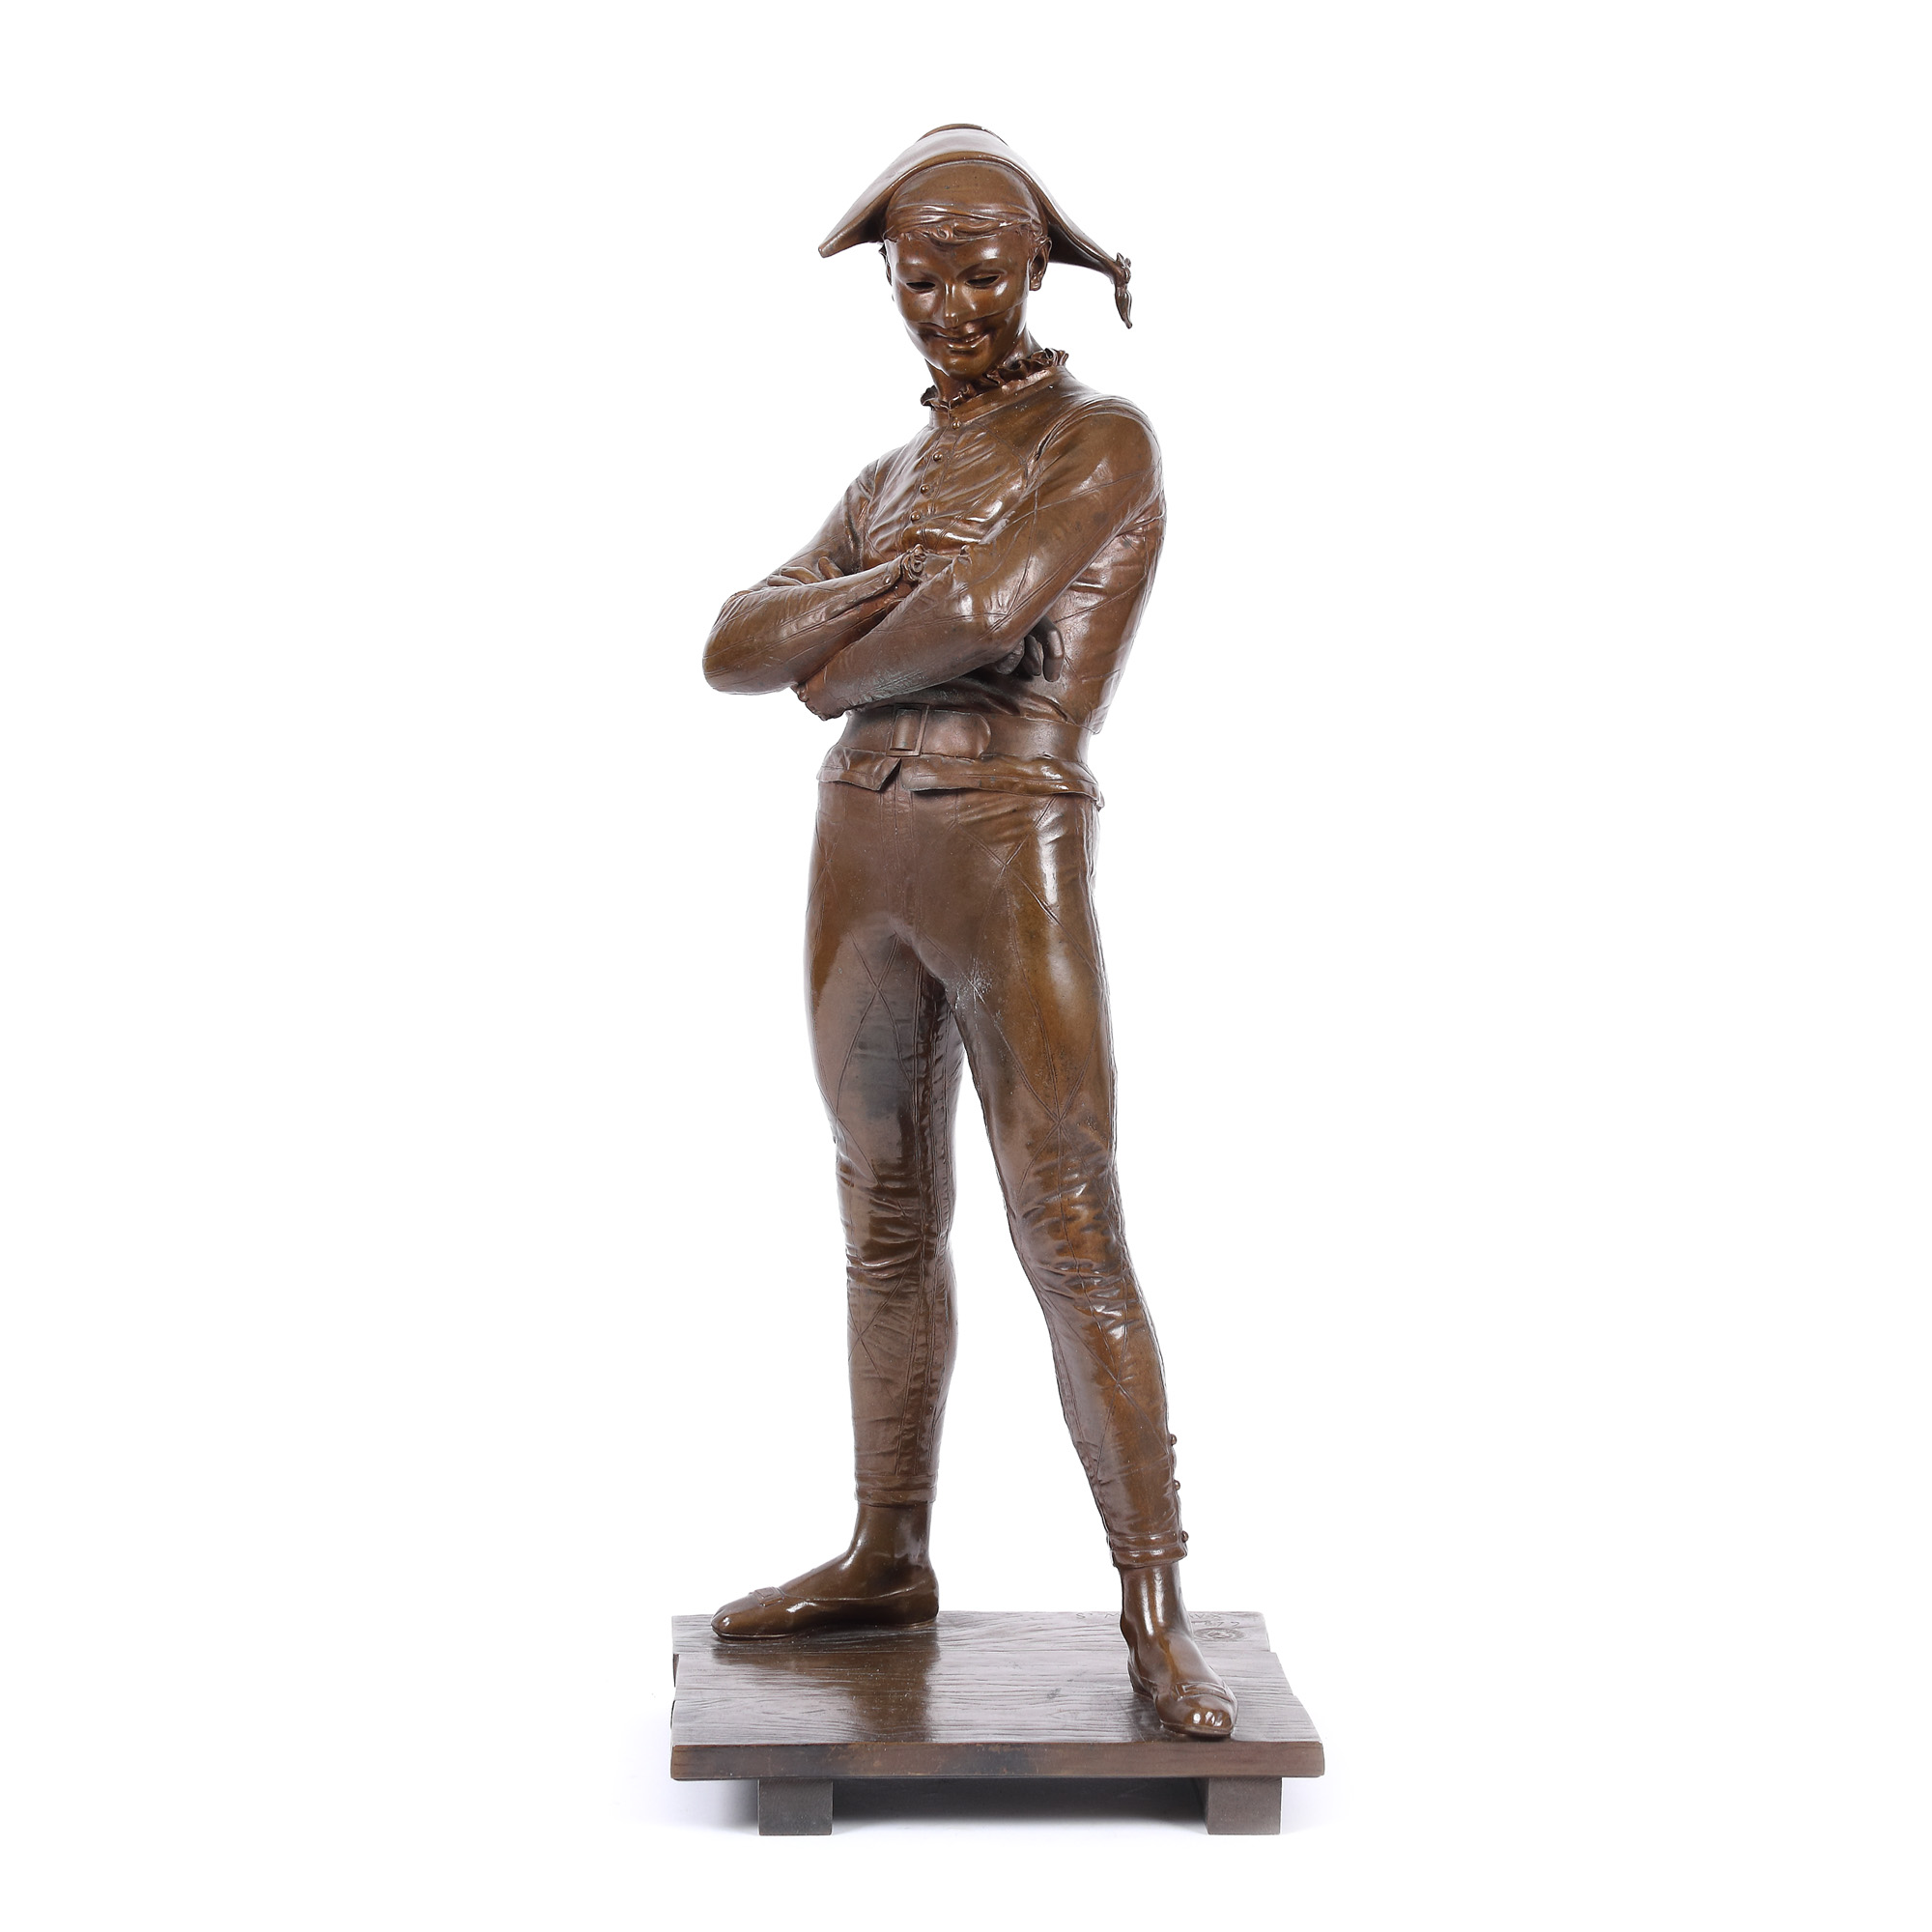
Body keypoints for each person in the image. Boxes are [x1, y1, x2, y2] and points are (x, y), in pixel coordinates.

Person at [700, 127, 1235, 1739]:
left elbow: (982, 614)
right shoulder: (885, 479)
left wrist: (846, 640)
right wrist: (875, 617)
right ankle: (888, 1554)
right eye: (919, 279)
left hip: (1009, 839)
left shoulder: (1099, 439)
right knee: (882, 1210)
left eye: (981, 275)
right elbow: (729, 644)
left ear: (1037, 271)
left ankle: (1155, 1607)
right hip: (858, 850)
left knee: (1066, 1220)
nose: (949, 306)